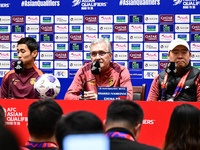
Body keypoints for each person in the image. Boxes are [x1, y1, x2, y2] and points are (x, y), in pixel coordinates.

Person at [64, 38, 133, 100]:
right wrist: (82, 98)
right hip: (90, 112)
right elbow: (68, 96)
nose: (97, 57)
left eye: (102, 53)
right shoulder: (84, 71)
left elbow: (128, 97)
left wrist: (100, 98)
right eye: (94, 54)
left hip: (112, 111)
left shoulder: (121, 70)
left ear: (110, 56)